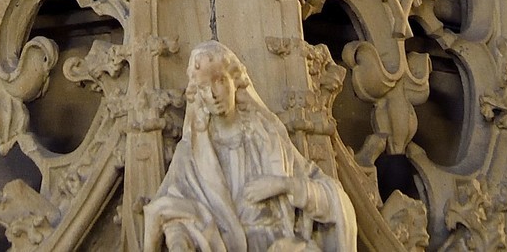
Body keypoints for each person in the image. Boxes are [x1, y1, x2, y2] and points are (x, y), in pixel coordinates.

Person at [145, 44, 355, 252]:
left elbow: (332, 198)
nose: (213, 94)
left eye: (219, 81)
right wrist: (179, 241)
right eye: (203, 87)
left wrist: (285, 185)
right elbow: (171, 213)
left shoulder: (268, 140)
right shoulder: (190, 154)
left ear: (235, 81)